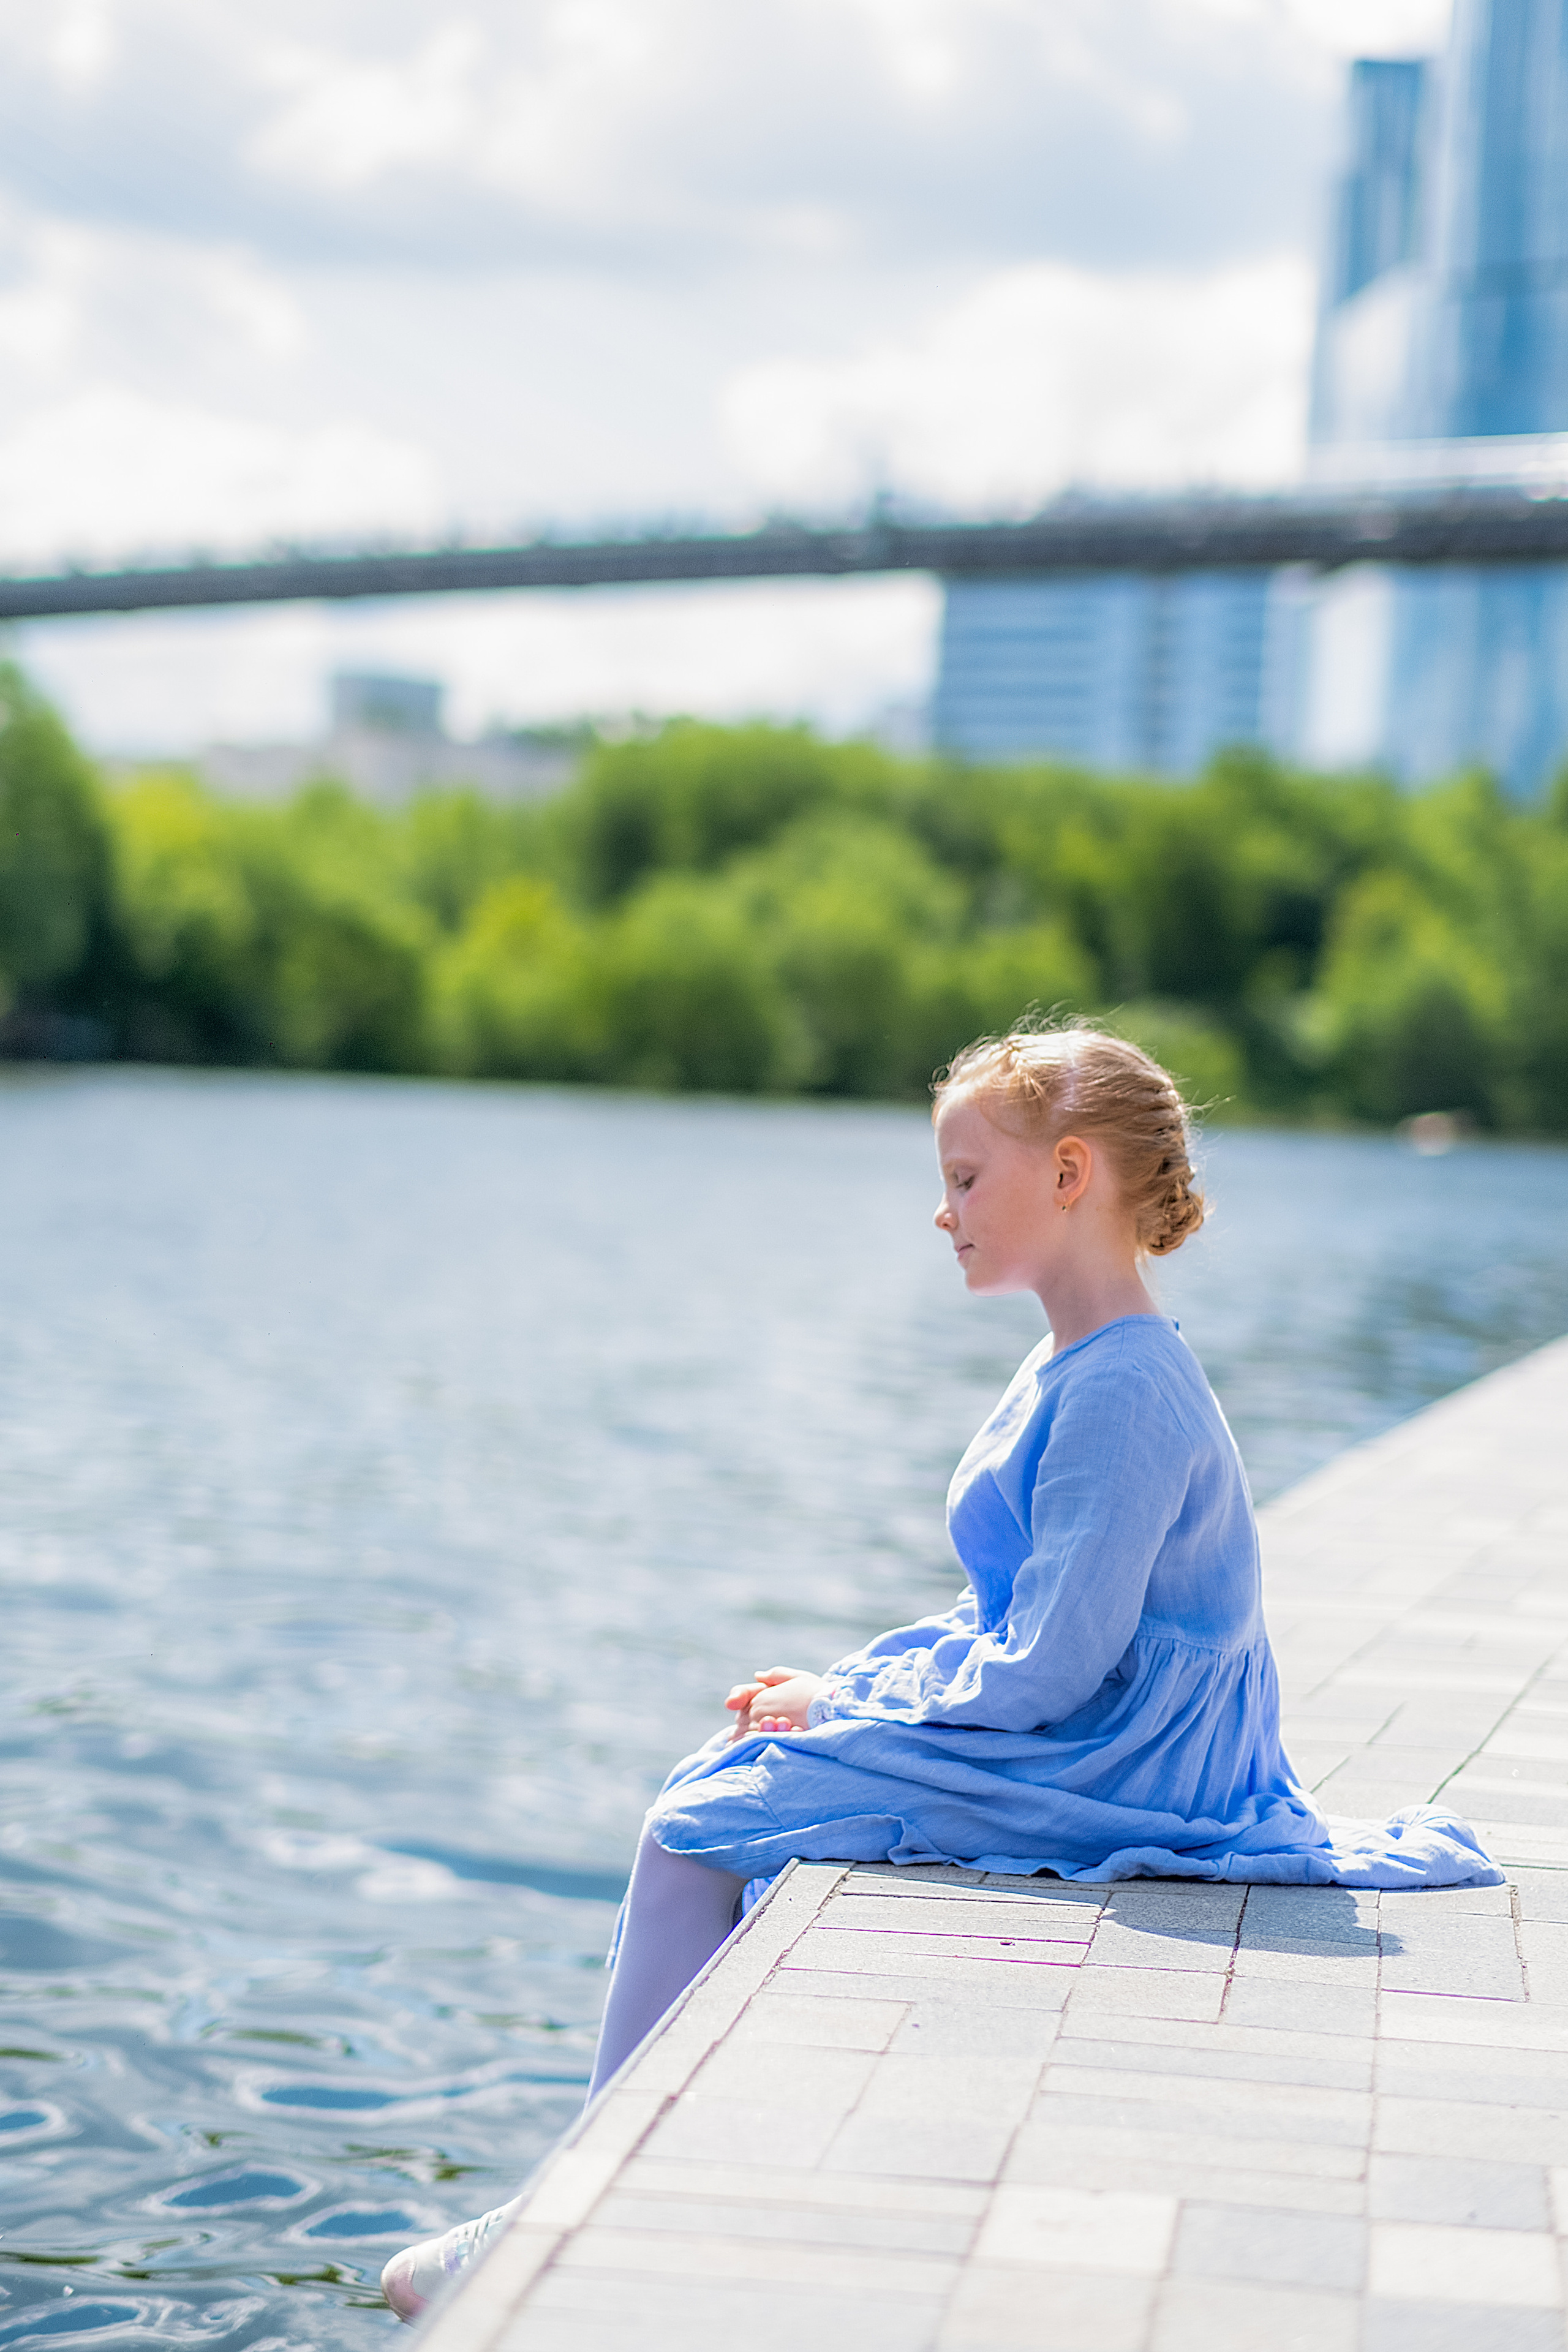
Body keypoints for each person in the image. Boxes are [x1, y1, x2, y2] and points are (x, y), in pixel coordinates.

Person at [382, 1022, 1500, 2319]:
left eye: (966, 1178)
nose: (942, 1210)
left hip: (1124, 1759)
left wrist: (845, 1706)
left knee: (692, 1827)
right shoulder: (1076, 1360)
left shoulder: (1124, 1390)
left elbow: (1052, 1665)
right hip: (1091, 1724)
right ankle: (616, 2177)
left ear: (1069, 1174)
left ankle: (565, 2217)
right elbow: (1016, 1616)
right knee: (733, 1772)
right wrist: (844, 1687)